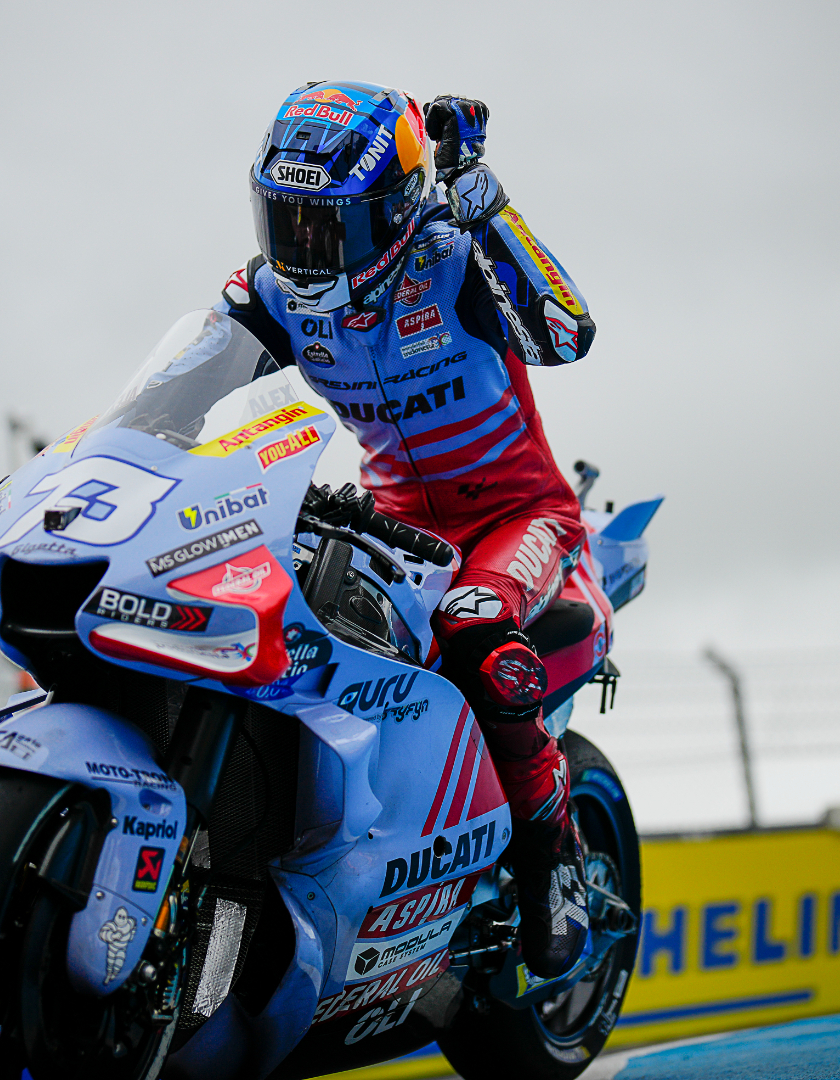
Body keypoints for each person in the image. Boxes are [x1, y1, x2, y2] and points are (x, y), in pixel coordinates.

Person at [215, 79, 597, 977]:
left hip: (519, 515)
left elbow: (569, 333)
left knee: (469, 622)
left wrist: (488, 203)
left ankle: (556, 860)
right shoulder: (269, 289)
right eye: (286, 220)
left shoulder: (450, 259)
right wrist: (102, 456)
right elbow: (187, 386)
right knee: (295, 626)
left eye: (327, 226)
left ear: (393, 215)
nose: (302, 251)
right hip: (395, 526)